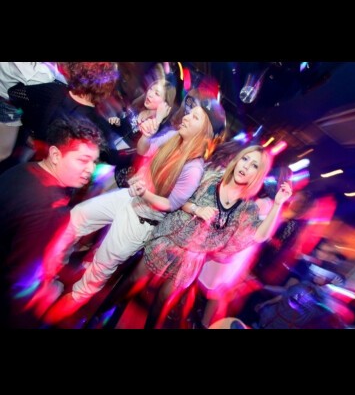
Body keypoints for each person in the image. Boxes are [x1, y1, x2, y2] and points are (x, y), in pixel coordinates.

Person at [43, 98, 226, 324]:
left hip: (140, 221)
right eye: (190, 112)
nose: (186, 117)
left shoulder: (194, 168)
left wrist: (145, 193)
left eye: (195, 117)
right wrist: (147, 136)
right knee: (75, 218)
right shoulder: (172, 136)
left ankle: (57, 312)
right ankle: (48, 277)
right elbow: (143, 149)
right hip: (129, 198)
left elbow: (170, 204)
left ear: (205, 133)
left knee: (98, 271)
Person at [126, 145, 292, 328]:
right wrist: (196, 209)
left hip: (191, 259)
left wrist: (277, 204)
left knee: (162, 301)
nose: (246, 166)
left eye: (254, 165)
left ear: (258, 175)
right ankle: (102, 313)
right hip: (170, 239)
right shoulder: (211, 177)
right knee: (134, 280)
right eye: (245, 159)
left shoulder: (247, 208)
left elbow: (259, 236)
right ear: (237, 160)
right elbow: (179, 199)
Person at [0, 116, 104, 328]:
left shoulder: (26, 169)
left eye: (94, 161)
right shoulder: (51, 209)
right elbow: (21, 280)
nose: (91, 169)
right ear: (56, 155)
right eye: (83, 160)